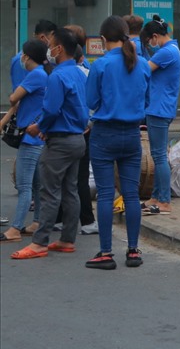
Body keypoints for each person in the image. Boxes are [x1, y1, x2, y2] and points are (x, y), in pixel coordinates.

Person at [11, 28, 89, 260]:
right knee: (70, 190)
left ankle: (39, 242)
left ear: (59, 49)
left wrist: (40, 127)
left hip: (61, 141)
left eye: (51, 45)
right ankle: (67, 238)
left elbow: (51, 109)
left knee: (48, 191)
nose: (48, 49)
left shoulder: (57, 76)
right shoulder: (78, 72)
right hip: (77, 138)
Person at [84, 16, 151, 270]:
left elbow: (91, 101)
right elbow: (146, 100)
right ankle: (133, 251)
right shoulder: (142, 64)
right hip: (132, 134)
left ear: (103, 39)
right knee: (131, 194)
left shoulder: (100, 65)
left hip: (104, 134)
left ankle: (105, 252)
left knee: (105, 194)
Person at [0, 40, 48, 243]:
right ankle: (36, 221)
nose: (21, 58)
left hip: (30, 139)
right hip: (36, 137)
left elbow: (13, 99)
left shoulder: (35, 75)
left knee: (24, 184)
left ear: (27, 57)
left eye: (23, 55)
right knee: (36, 184)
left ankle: (15, 228)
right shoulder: (42, 74)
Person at [140, 15, 180, 216]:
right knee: (160, 155)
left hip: (159, 109)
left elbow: (143, 71)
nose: (150, 44)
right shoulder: (172, 50)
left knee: (158, 156)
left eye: (149, 40)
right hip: (161, 107)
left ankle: (164, 200)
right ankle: (156, 197)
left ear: (155, 36)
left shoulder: (166, 52)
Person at [61, 24, 97, 235]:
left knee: (64, 180)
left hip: (65, 133)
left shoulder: (60, 74)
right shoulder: (86, 72)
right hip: (82, 131)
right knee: (77, 178)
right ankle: (85, 221)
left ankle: (61, 221)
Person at [9, 19, 56, 88]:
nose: (55, 41)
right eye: (53, 37)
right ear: (42, 37)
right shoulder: (21, 60)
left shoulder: (47, 57)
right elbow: (17, 92)